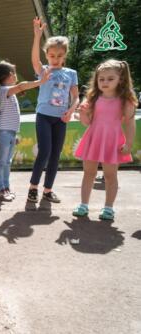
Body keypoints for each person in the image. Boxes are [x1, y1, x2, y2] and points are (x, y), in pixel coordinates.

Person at [73, 59, 137, 220]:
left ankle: (108, 208)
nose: (105, 82)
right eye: (101, 79)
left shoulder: (125, 101)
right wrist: (82, 113)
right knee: (88, 173)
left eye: (110, 79)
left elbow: (130, 123)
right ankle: (83, 204)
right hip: (93, 139)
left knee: (110, 175)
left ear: (120, 79)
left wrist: (129, 143)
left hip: (112, 142)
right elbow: (87, 122)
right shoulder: (92, 98)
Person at [27, 17, 79, 203]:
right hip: (44, 117)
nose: (55, 59)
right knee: (45, 151)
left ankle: (48, 190)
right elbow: (34, 59)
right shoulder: (44, 71)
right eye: (52, 55)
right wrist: (37, 36)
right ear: (47, 55)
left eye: (59, 55)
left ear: (64, 55)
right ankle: (33, 188)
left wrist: (71, 110)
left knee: (56, 155)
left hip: (61, 119)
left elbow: (76, 96)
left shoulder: (71, 74)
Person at [0, 61, 50, 201]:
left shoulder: (8, 91)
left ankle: (5, 187)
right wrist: (40, 81)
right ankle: (0, 189)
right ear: (10, 75)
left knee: (7, 162)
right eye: (14, 73)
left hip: (9, 132)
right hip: (4, 132)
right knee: (2, 162)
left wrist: (14, 133)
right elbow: (22, 85)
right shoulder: (4, 90)